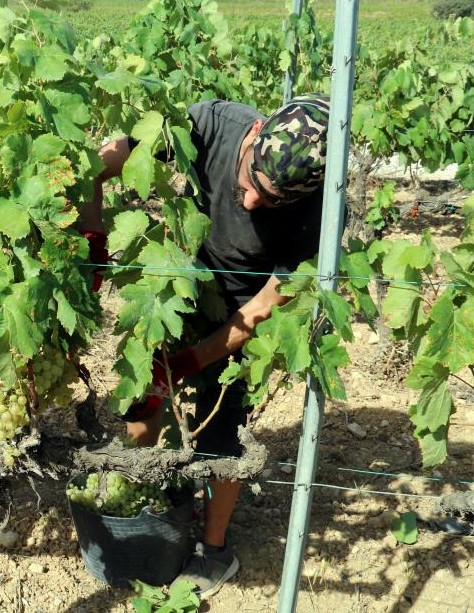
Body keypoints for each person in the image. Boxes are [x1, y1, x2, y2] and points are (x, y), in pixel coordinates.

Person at [81, 96, 331, 599]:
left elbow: (263, 307)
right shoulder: (210, 125)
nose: (252, 202)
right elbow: (105, 160)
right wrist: (91, 233)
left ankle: (215, 551)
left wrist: (192, 359)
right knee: (144, 390)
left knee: (224, 432)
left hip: (243, 303)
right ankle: (139, 494)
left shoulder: (320, 213)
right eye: (251, 182)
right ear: (255, 133)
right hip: (180, 276)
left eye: (273, 198)